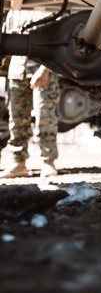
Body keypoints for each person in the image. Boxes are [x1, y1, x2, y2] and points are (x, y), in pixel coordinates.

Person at [0, 10, 61, 178]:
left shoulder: (51, 9)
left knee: (45, 118)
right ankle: (18, 163)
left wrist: (45, 70)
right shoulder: (15, 11)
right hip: (17, 71)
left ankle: (48, 162)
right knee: (17, 120)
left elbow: (58, 42)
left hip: (42, 72)